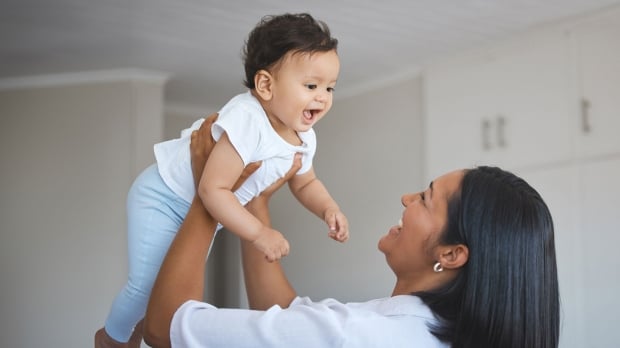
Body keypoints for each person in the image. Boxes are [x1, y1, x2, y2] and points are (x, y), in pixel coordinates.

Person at [143, 114, 561, 348]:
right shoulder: (421, 334)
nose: (405, 198)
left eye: (426, 198)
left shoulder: (359, 335)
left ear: (452, 254)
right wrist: (254, 201)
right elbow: (288, 315)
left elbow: (166, 328)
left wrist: (209, 195)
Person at [95, 12, 348, 347]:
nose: (323, 97)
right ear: (266, 85)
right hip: (164, 197)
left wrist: (328, 209)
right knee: (146, 284)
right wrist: (259, 234)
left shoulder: (304, 136)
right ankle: (110, 339)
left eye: (330, 87)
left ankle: (131, 334)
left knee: (167, 286)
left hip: (207, 212)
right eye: (311, 86)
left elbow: (305, 182)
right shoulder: (247, 119)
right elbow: (211, 188)